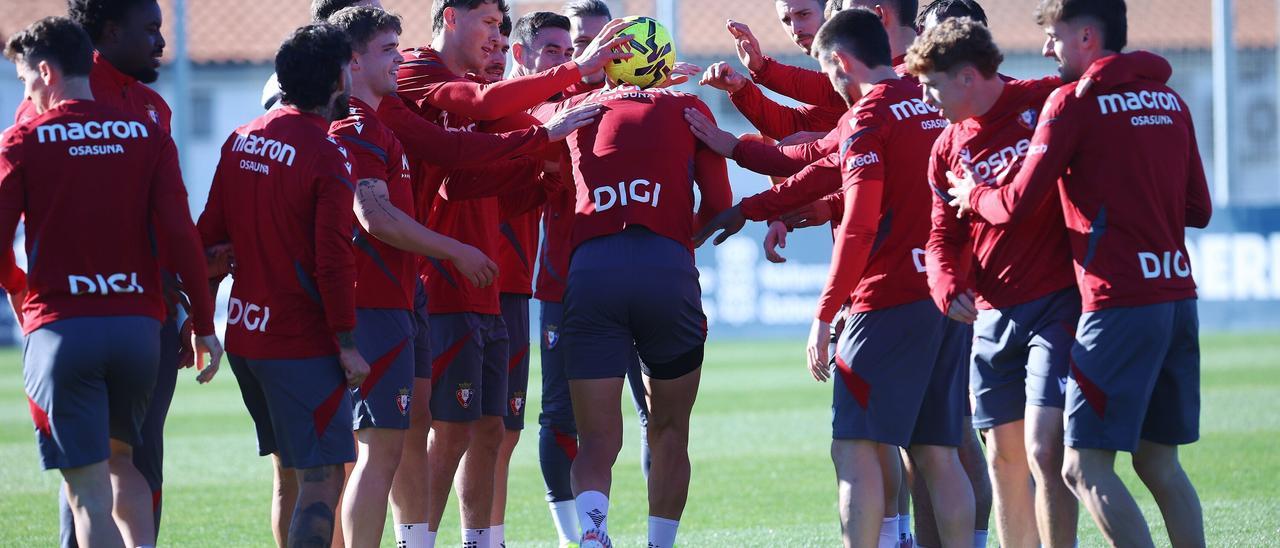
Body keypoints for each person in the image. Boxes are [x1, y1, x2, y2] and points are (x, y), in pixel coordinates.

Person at [946, 0, 1212, 545]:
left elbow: (1017, 203)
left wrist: (972, 194)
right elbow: (1199, 210)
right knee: (1160, 465)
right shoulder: (1171, 100)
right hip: (1177, 296)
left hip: (1117, 304)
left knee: (1082, 468)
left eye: (1054, 36)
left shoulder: (1071, 103)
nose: (1047, 49)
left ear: (1087, 37)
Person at [390, 2, 623, 545]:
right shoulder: (421, 71)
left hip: (495, 290)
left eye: (499, 32)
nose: (494, 44)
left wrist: (626, 103)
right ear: (451, 17)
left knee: (494, 431)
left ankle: (482, 540)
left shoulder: (489, 99)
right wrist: (567, 94)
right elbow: (467, 153)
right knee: (440, 431)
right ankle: (415, 538)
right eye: (491, 29)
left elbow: (480, 183)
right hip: (441, 281)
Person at [0, 16, 220, 548]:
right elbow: (180, 237)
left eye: (26, 80)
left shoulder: (24, 138)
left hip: (63, 330)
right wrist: (207, 323)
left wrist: (20, 291)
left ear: (47, 72)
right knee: (127, 464)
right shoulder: (146, 132)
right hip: (140, 331)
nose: (26, 92)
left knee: (88, 495)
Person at [551, 37, 734, 548]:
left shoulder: (575, 107)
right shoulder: (689, 108)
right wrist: (675, 241)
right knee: (669, 427)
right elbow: (720, 205)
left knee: (596, 439)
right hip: (665, 270)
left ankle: (592, 535)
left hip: (592, 271)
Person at [197, 24, 370, 548]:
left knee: (291, 475)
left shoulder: (241, 137)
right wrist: (347, 343)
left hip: (248, 339)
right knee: (323, 478)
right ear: (337, 78)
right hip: (299, 344)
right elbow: (333, 261)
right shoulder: (328, 154)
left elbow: (208, 238)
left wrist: (201, 317)